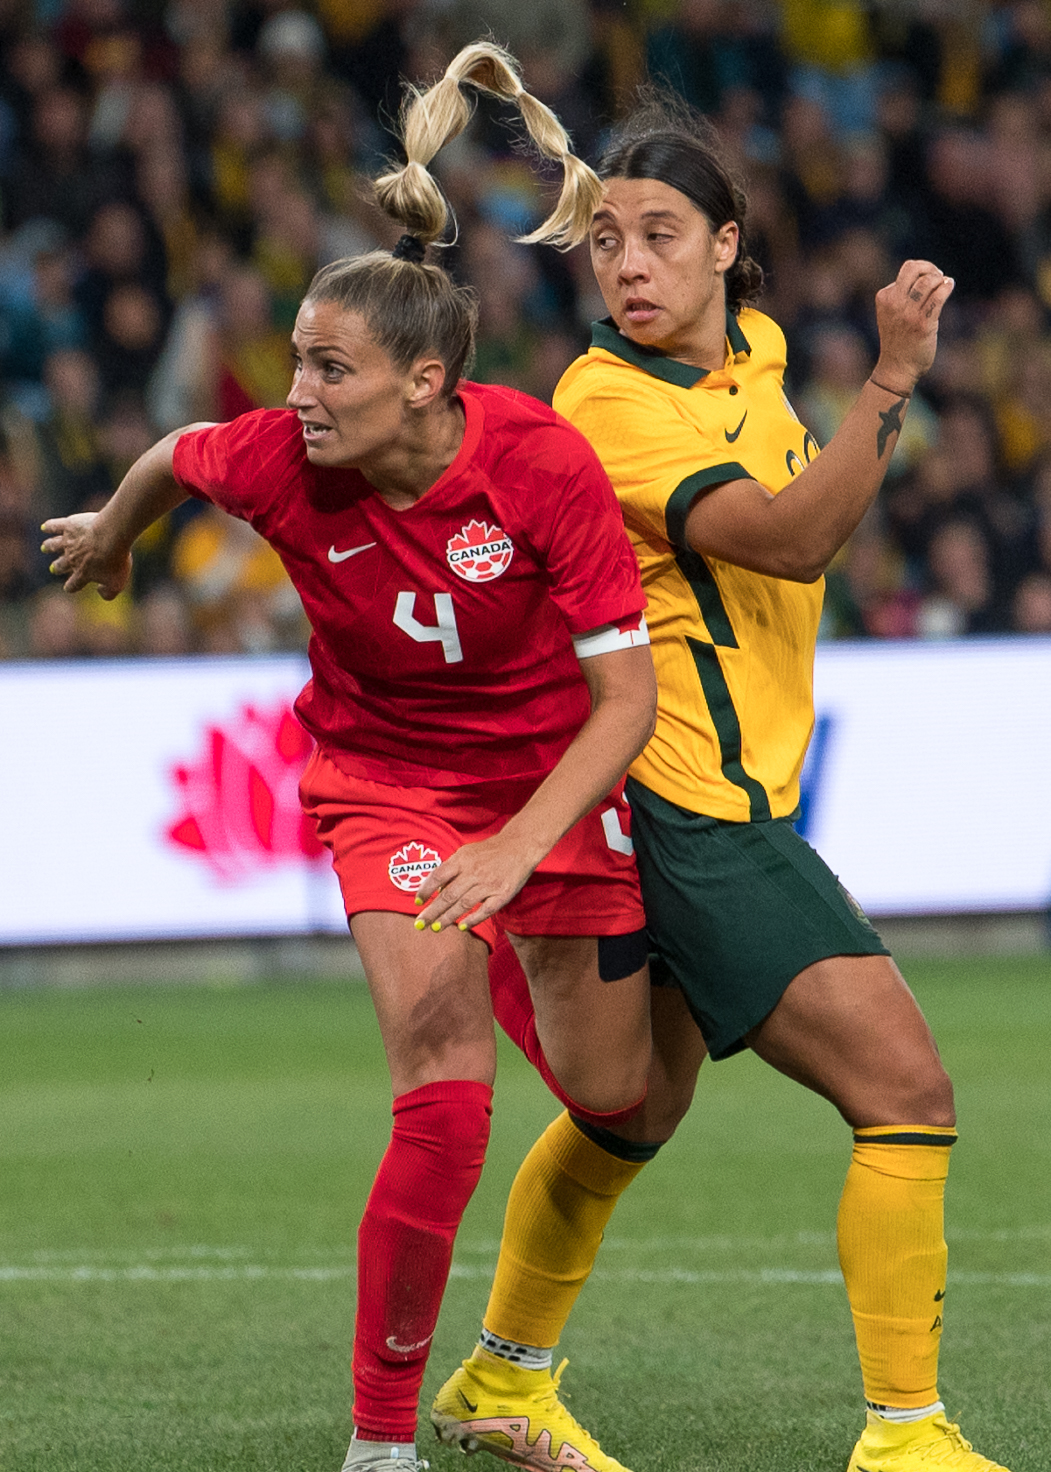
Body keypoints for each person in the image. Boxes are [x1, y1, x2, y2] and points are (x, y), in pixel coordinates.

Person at [40, 44, 660, 1472]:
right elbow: (179, 447)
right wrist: (119, 534)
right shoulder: (280, 457)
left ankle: (515, 958)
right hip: (387, 786)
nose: (297, 390)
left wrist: (517, 849)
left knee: (614, 1098)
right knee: (445, 1091)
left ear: (427, 383)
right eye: (300, 360)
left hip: (547, 789)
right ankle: (381, 1442)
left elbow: (621, 707)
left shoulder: (541, 465)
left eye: (330, 367)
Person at [432, 95, 1012, 1472]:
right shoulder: (602, 402)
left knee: (631, 1110)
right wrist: (888, 384)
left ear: (724, 248)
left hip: (718, 791)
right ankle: (904, 1435)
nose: (626, 265)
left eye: (658, 235)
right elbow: (791, 544)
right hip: (687, 800)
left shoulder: (748, 356)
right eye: (606, 242)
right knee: (905, 1092)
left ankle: (498, 1380)